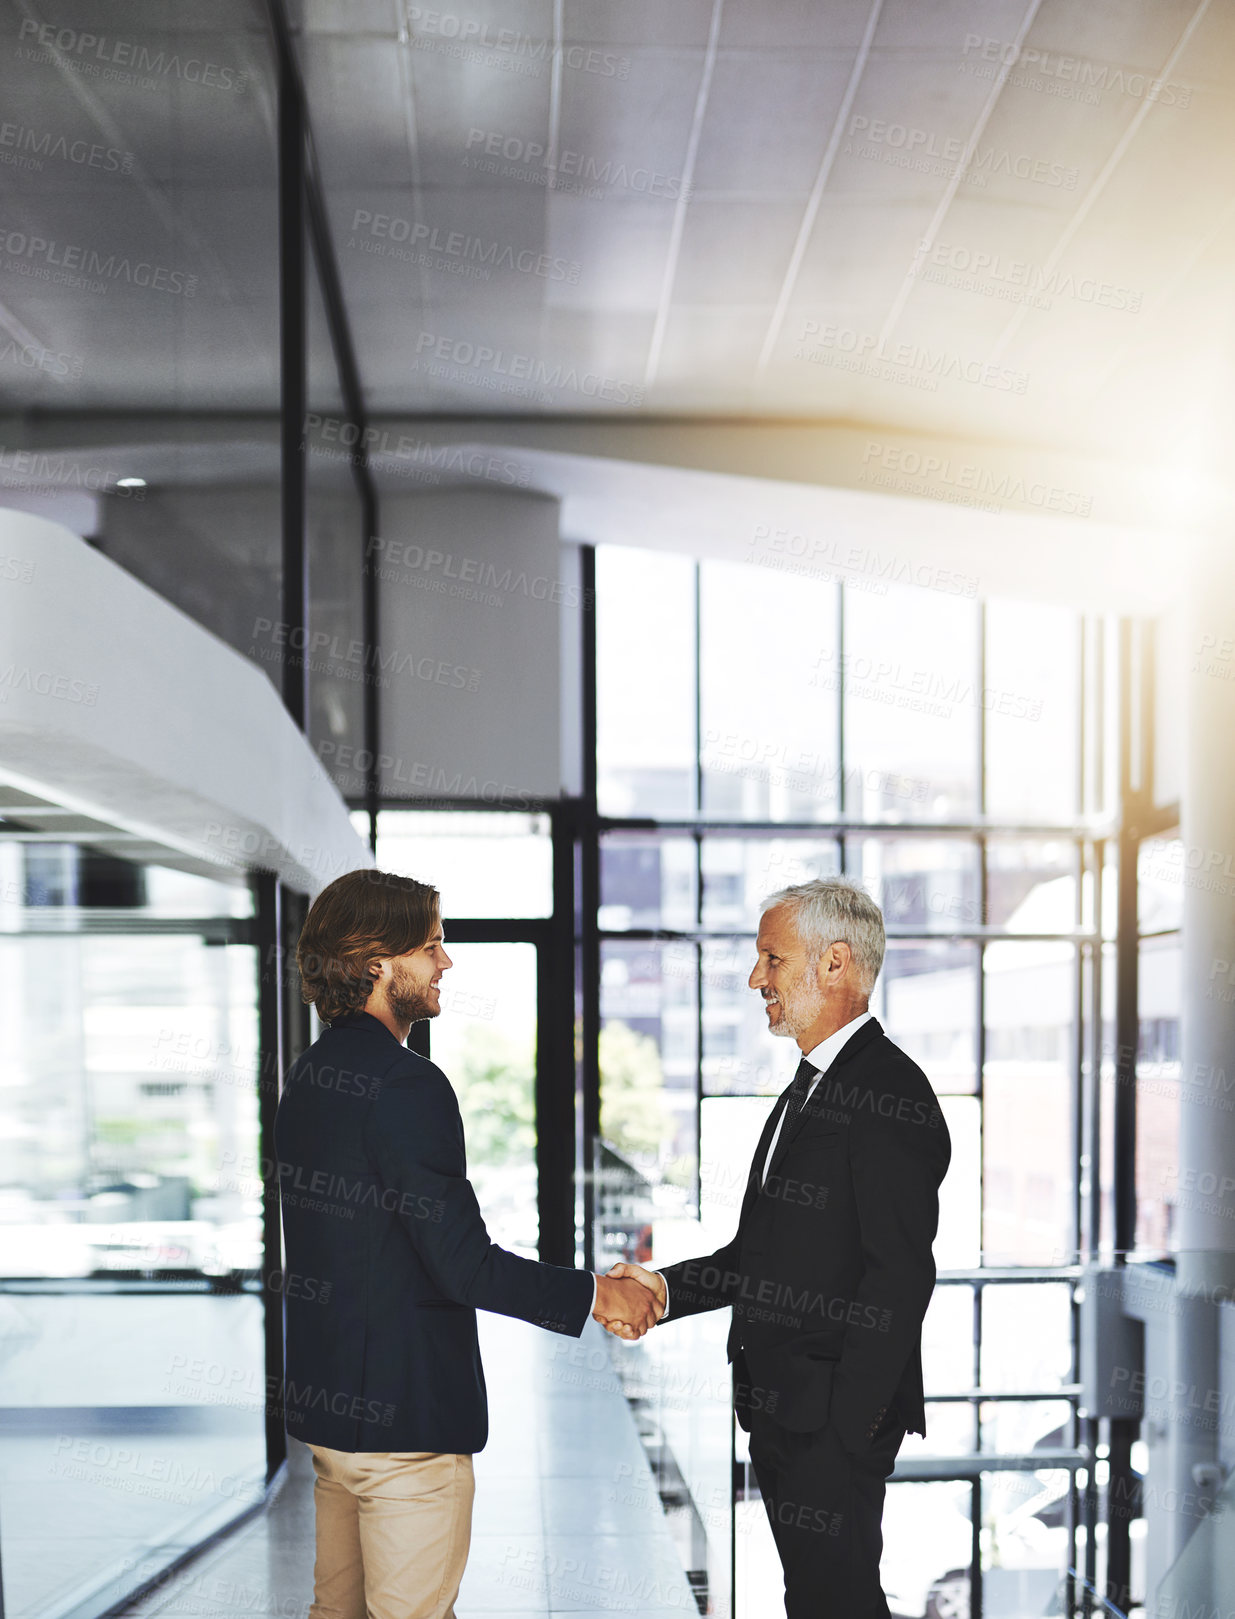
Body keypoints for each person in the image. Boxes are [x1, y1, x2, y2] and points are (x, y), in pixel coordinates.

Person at [274, 868, 661, 1619]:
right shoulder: (407, 1082)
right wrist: (598, 1292)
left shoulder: (309, 1075)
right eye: (430, 947)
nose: (445, 962)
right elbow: (462, 1262)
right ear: (375, 962)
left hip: (333, 1426)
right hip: (406, 1433)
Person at [602, 877, 951, 1619]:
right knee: (817, 1600)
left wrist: (845, 1431)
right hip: (785, 1412)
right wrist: (659, 1289)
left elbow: (898, 1276)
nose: (755, 977)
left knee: (839, 1601)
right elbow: (761, 1251)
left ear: (833, 962)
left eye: (770, 957)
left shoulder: (889, 1092)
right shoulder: (811, 1084)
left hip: (829, 1423)